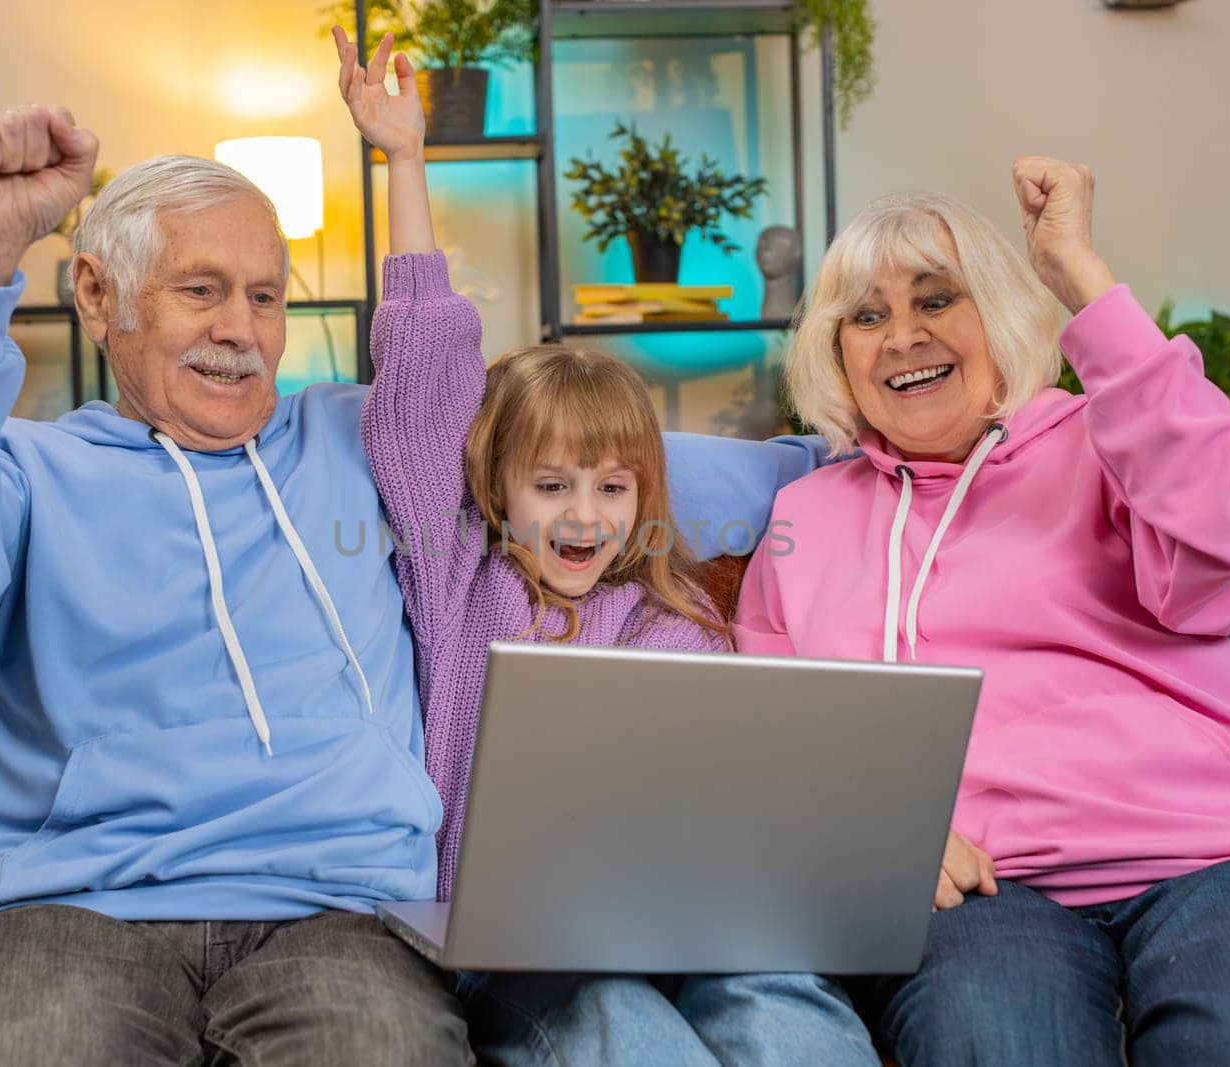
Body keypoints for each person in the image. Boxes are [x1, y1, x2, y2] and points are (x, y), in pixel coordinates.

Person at [0, 105, 473, 1064]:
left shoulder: (361, 439)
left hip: (343, 909)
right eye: (200, 289)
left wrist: (780, 475)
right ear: (97, 296)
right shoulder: (25, 470)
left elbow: (605, 466)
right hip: (69, 910)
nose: (238, 331)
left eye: (264, 296)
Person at [730, 158, 1230, 1064]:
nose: (902, 335)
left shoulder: (1106, 445)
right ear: (836, 356)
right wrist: (879, 830)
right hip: (980, 890)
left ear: (999, 313)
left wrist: (1079, 276)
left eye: (936, 299)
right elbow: (770, 728)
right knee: (994, 1039)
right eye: (866, 316)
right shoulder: (805, 517)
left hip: (1220, 850)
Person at [334, 28, 880, 1067]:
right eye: (550, 486)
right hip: (512, 951)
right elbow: (418, 379)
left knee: (783, 1003)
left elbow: (736, 796)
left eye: (611, 486)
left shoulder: (680, 628)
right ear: (491, 490)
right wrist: (406, 162)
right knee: (620, 1021)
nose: (583, 515)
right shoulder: (456, 577)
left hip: (686, 923)